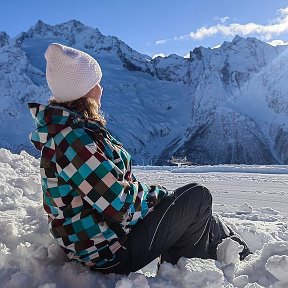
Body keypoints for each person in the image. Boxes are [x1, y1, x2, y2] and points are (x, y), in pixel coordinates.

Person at [29, 43, 251, 275]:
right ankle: (191, 274)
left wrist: (162, 199)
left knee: (194, 208)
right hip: (107, 253)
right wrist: (160, 195)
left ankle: (240, 258)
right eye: (96, 83)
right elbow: (121, 204)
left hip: (104, 240)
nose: (101, 89)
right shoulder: (72, 142)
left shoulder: (73, 133)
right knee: (197, 197)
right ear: (83, 92)